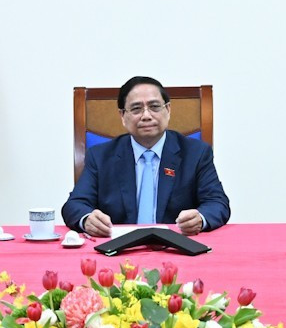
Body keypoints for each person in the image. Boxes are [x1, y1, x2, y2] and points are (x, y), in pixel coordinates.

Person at [62, 76, 230, 237]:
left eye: (155, 107)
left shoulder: (196, 153)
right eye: (136, 109)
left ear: (168, 110)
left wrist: (200, 218)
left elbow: (218, 203)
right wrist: (88, 219)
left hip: (177, 250)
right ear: (122, 116)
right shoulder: (100, 156)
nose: (146, 116)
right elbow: (75, 205)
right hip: (119, 251)